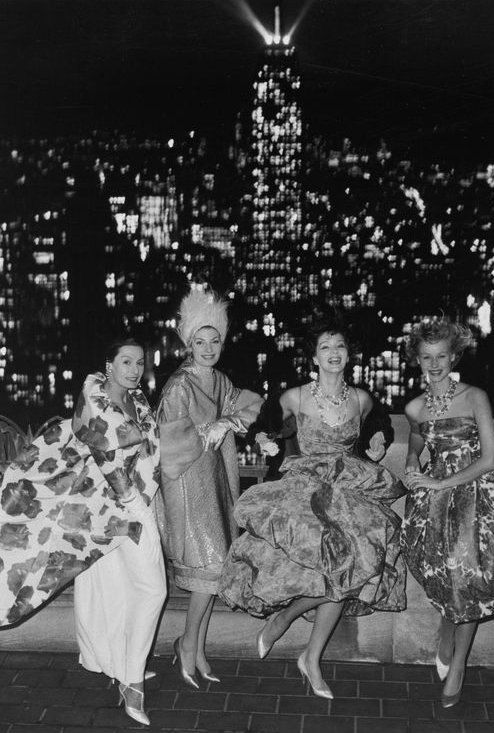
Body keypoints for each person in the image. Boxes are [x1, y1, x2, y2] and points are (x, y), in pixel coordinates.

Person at [219, 318, 406, 699]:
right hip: (306, 489)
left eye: (339, 346)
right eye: (325, 347)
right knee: (334, 573)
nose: (333, 353)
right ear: (314, 357)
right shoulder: (296, 396)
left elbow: (381, 422)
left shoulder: (362, 398)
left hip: (350, 489)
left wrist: (378, 438)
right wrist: (264, 439)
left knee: (355, 569)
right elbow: (268, 422)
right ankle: (304, 650)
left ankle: (296, 635)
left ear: (348, 355)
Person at [0, 338, 166, 726]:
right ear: (109, 365)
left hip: (128, 505)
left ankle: (125, 667)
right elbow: (111, 465)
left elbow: (149, 454)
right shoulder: (97, 403)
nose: (134, 369)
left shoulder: (138, 401)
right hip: (111, 513)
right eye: (126, 361)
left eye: (139, 362)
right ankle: (132, 681)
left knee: (130, 590)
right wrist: (137, 508)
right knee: (153, 589)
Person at [400, 317, 494, 708]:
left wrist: (442, 483)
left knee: (471, 574)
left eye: (442, 355)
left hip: (480, 494)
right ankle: (447, 635)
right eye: (427, 357)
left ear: (454, 355)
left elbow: (491, 460)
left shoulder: (475, 396)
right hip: (437, 504)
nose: (435, 363)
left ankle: (457, 663)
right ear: (417, 360)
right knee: (449, 577)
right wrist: (412, 459)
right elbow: (417, 434)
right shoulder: (414, 406)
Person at [154, 287, 263, 689]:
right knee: (210, 568)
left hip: (214, 485)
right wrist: (208, 429)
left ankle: (195, 647)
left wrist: (229, 422)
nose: (208, 347)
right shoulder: (179, 385)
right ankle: (187, 644)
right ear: (188, 343)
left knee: (213, 574)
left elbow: (249, 403)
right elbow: (169, 442)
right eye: (200, 341)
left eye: (214, 340)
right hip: (187, 488)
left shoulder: (220, 380)